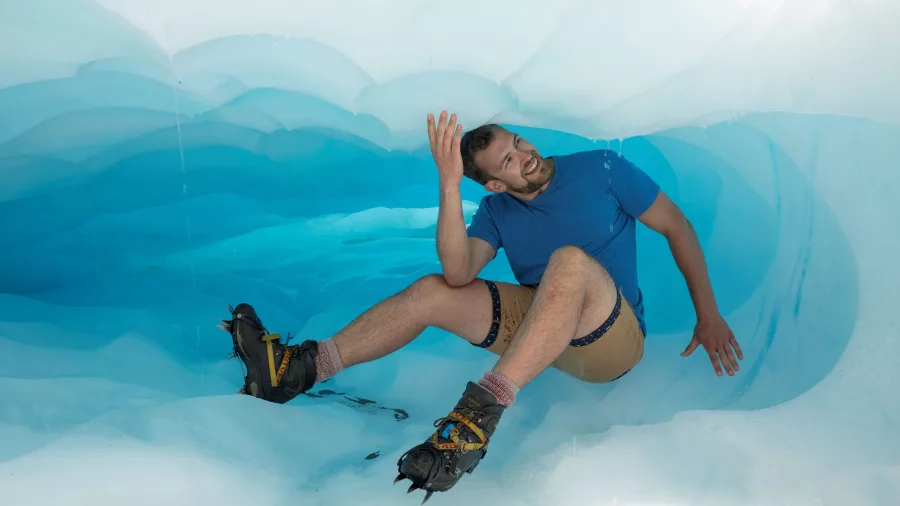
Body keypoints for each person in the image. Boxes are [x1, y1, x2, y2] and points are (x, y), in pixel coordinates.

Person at [219, 111, 742, 503]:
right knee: (431, 290)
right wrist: (449, 184)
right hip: (543, 330)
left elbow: (677, 225)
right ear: (494, 183)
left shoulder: (603, 169)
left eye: (519, 143)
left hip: (612, 340)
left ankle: (474, 421)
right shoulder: (495, 211)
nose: (525, 155)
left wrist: (709, 314)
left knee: (569, 262)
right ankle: (296, 371)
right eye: (508, 161)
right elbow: (457, 274)